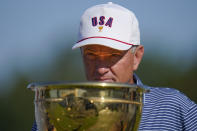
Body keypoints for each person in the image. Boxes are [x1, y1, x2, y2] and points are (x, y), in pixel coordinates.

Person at [32, 2, 197, 131]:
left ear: (137, 57)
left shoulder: (172, 107)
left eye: (113, 55)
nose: (101, 68)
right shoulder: (57, 113)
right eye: (91, 55)